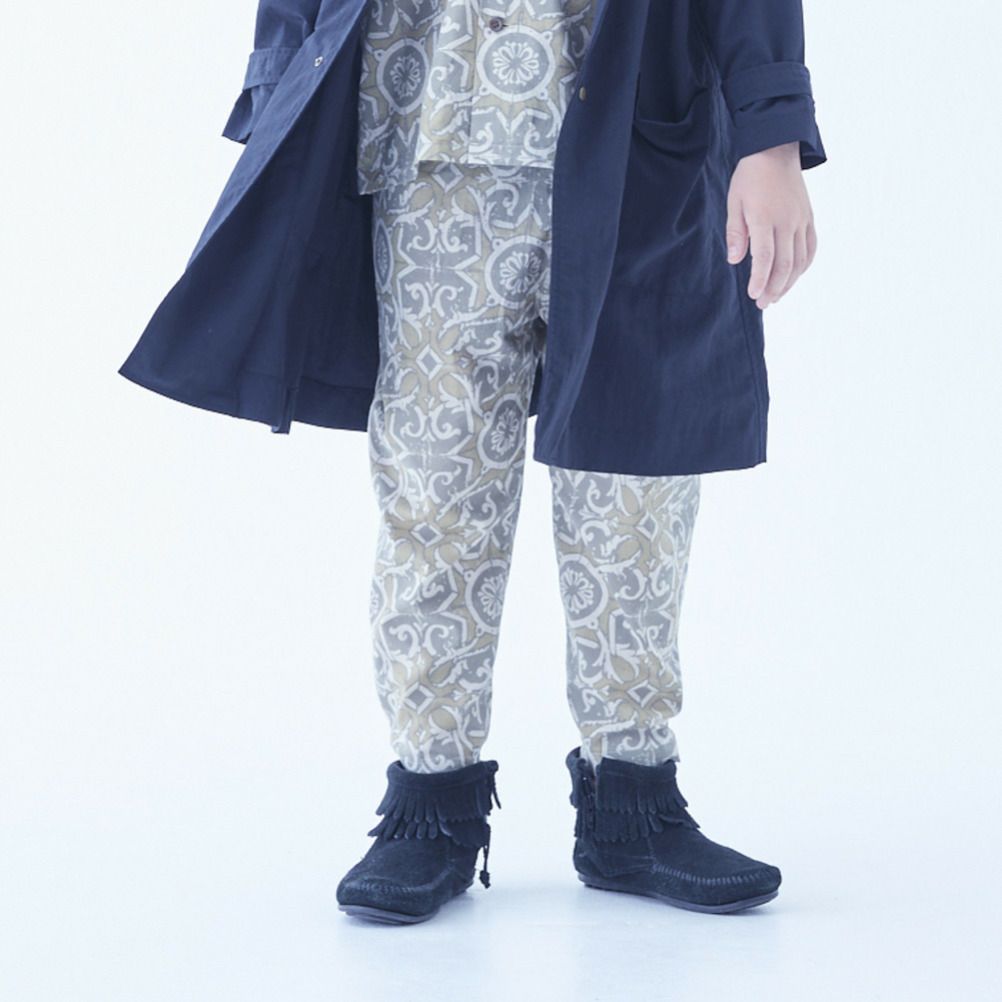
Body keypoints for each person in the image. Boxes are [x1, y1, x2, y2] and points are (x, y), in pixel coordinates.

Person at [118, 0, 825, 925]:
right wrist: (280, 85)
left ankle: (634, 802)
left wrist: (772, 137)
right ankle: (431, 801)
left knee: (635, 496)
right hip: (430, 148)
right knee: (435, 485)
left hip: (634, 147)